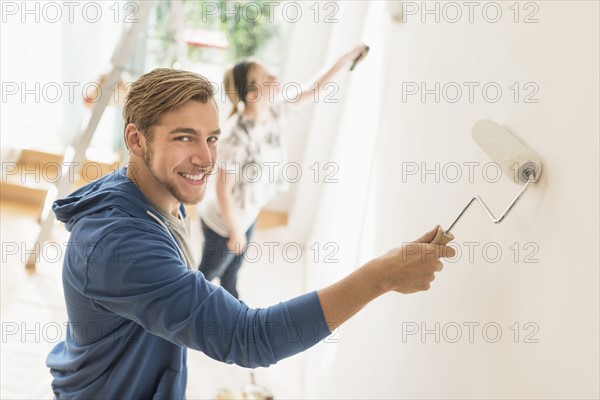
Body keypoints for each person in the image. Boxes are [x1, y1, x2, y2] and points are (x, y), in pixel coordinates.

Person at [46, 68, 455, 398]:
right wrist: (378, 277)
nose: (207, 158)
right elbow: (250, 338)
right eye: (184, 137)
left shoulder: (145, 191)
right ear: (136, 139)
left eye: (211, 138)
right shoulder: (120, 248)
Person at [198, 45, 370, 298]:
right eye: (267, 77)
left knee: (233, 272)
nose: (275, 77)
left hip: (248, 213)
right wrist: (235, 232)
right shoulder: (237, 136)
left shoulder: (275, 110)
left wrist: (345, 59)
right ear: (253, 94)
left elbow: (313, 88)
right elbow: (222, 191)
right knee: (205, 276)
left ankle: (232, 306)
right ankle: (180, 319)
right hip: (223, 223)